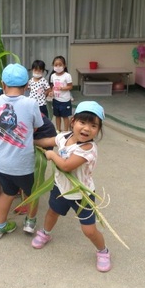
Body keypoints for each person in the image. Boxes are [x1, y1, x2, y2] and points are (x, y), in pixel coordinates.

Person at [32, 101, 111, 272]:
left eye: (93, 125)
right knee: (52, 212)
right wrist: (31, 141)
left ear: (98, 130)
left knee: (89, 230)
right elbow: (48, 140)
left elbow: (67, 166)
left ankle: (103, 251)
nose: (87, 128)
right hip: (61, 187)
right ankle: (45, 233)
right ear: (73, 121)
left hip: (82, 194)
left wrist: (52, 154)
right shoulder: (63, 137)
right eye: (83, 122)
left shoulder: (88, 149)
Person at [0, 63, 44, 239]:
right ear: (27, 85)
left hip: (2, 163)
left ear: (3, 84)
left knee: (7, 193)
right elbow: (37, 126)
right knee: (32, 193)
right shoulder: (31, 103)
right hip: (24, 164)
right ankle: (30, 222)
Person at [49, 56, 73, 132]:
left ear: (64, 65)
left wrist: (62, 88)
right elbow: (53, 86)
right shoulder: (53, 76)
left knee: (65, 117)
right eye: (56, 65)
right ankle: (58, 129)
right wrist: (52, 92)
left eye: (60, 65)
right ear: (53, 66)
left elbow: (70, 86)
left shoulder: (67, 75)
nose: (58, 67)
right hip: (56, 99)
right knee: (57, 116)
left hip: (65, 100)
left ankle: (66, 131)